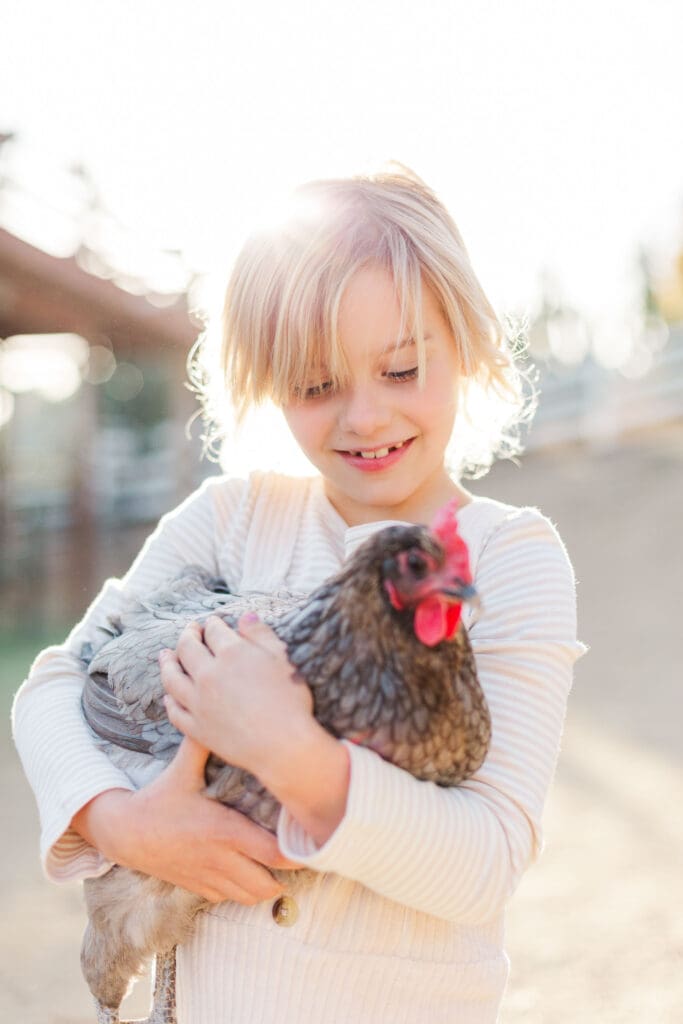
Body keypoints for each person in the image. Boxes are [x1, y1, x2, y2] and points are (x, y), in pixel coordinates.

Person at [12, 165, 585, 1023]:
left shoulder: (507, 559)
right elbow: (55, 684)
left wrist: (290, 752)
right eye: (317, 387)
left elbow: (486, 861)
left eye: (399, 370)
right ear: (264, 383)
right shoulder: (232, 518)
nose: (362, 417)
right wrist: (123, 822)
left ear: (463, 346)